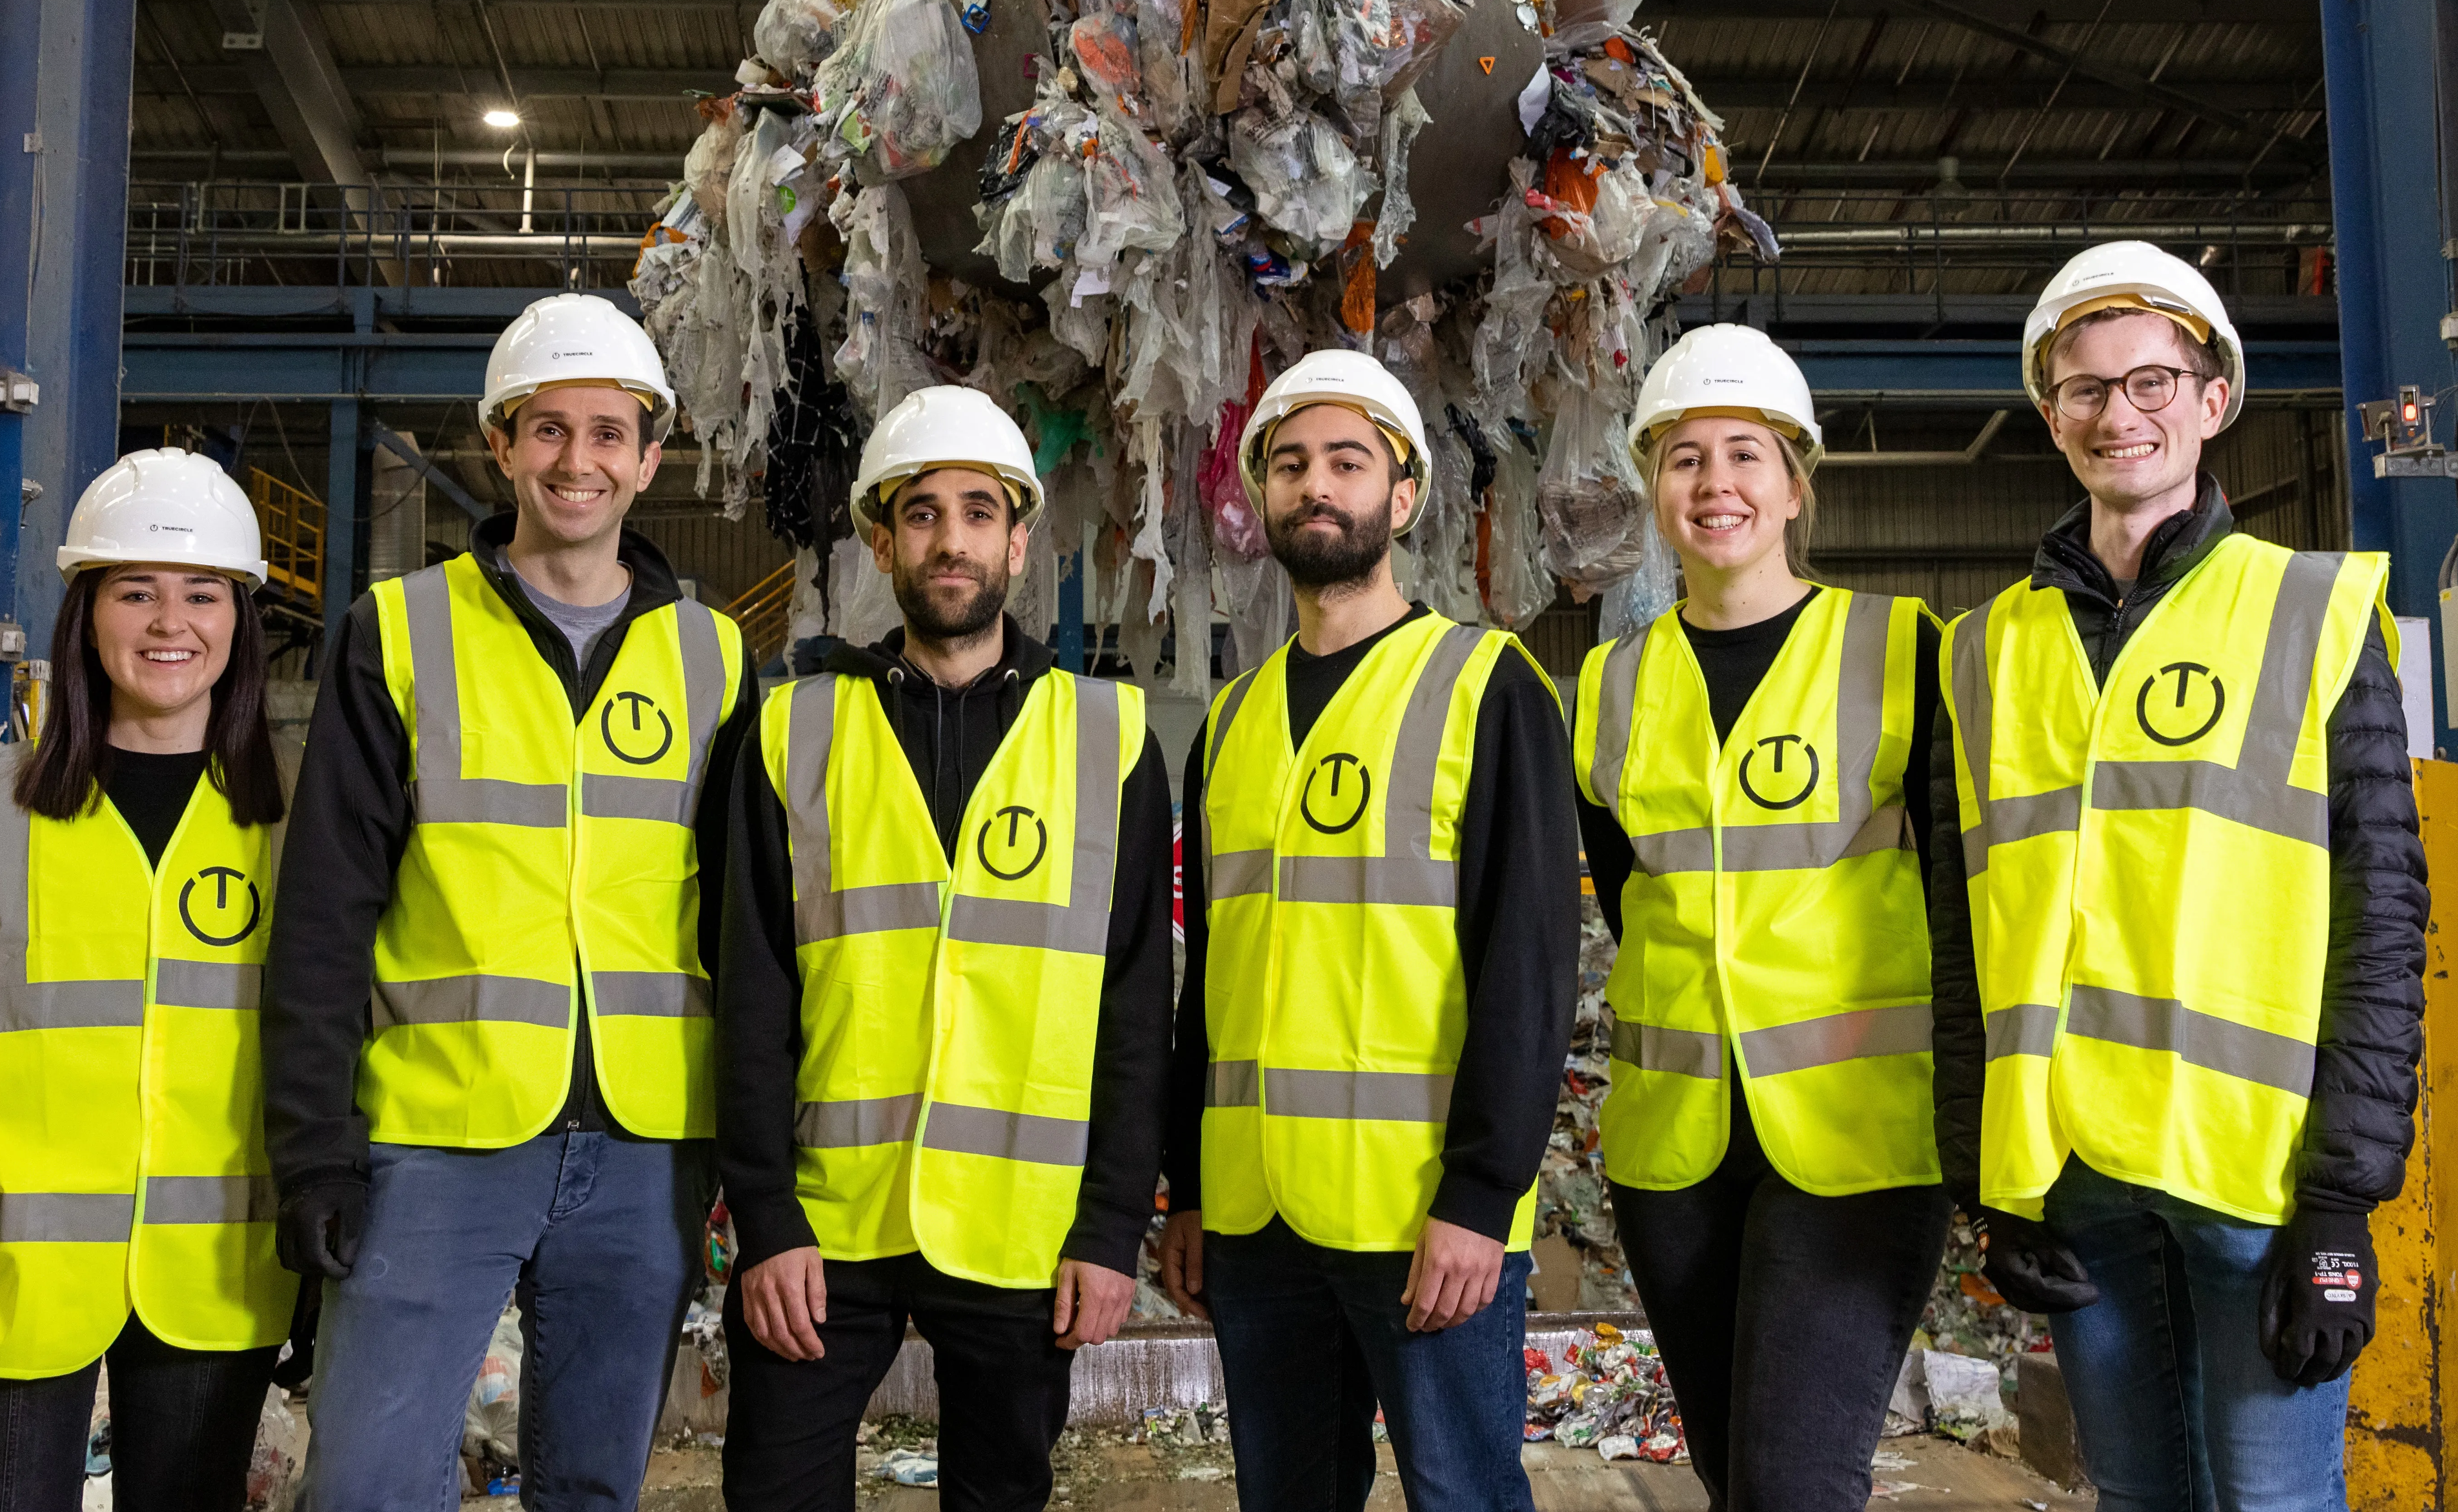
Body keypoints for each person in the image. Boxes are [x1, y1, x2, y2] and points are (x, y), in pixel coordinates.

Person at [1927, 243, 2427, 1512]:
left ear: (2213, 402)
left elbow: (2380, 913)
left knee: (2272, 1503)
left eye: (2153, 383)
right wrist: (1993, 1178)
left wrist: (2342, 1201)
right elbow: (1961, 931)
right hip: (2076, 1176)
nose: (2119, 415)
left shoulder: (2309, 611)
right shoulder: (1985, 653)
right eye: (2085, 390)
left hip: (2253, 1178)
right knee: (2138, 1500)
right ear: (2051, 416)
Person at [265, 293, 751, 1512]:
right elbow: (325, 909)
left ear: (649, 460)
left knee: (592, 1485)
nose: (574, 461)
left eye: (605, 433)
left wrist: (745, 1149)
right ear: (501, 444)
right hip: (437, 1136)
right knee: (366, 1484)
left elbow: (746, 930)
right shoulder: (402, 633)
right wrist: (315, 1148)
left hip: (645, 1146)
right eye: (547, 430)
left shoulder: (717, 658)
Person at [709, 384, 1170, 1512]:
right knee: (773, 1488)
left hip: (1021, 1231)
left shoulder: (1108, 739)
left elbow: (1134, 1008)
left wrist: (1112, 1230)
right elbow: (751, 992)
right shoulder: (791, 730)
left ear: (1019, 541)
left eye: (977, 512)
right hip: (828, 1221)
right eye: (922, 513)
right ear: (880, 538)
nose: (949, 539)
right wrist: (764, 1217)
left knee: (998, 1495)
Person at [1160, 349, 1578, 1512]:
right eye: (1288, 465)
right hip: (1256, 1217)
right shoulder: (1229, 722)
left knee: (1462, 1495)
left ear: (1402, 498)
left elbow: (1527, 973)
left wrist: (1481, 1200)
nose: (1315, 486)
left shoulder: (1484, 687)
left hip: (1420, 1216)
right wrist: (1186, 1187)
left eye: (1348, 462)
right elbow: (1214, 987)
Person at [0, 449, 298, 1510]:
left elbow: (326, 1055)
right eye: (135, 591)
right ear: (86, 614)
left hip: (214, 1284)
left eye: (203, 594)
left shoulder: (293, 828)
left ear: (238, 622)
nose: (170, 623)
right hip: (16, 1281)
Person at [1569, 325, 1950, 1512]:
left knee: (1792, 1482)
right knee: (1737, 1470)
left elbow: (1960, 898)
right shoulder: (1612, 682)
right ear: (1652, 488)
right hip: (1672, 1147)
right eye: (1685, 459)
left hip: (1855, 1141)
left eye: (1745, 455)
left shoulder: (1902, 652)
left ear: (1795, 484)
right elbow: (1629, 892)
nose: (1715, 484)